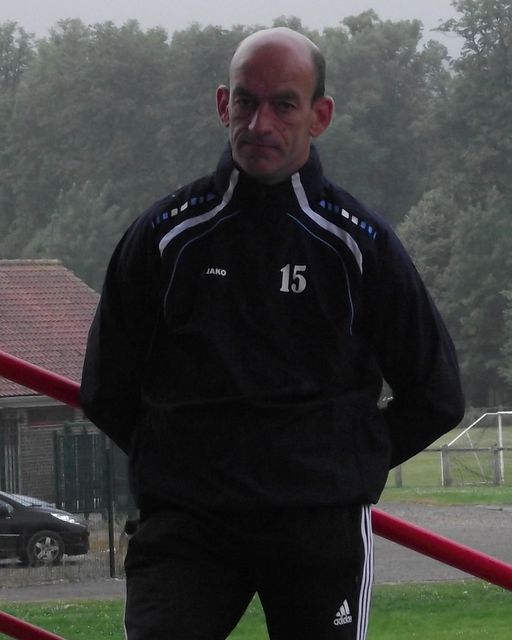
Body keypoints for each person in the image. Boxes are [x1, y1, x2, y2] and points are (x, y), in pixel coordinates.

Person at [80, 27, 464, 640]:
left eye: (284, 104)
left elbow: (436, 395)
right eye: (246, 101)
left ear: (320, 116)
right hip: (188, 526)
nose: (260, 123)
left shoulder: (360, 244)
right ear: (222, 105)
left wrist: (337, 463)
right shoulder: (164, 235)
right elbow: (105, 386)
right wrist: (183, 459)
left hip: (318, 528)